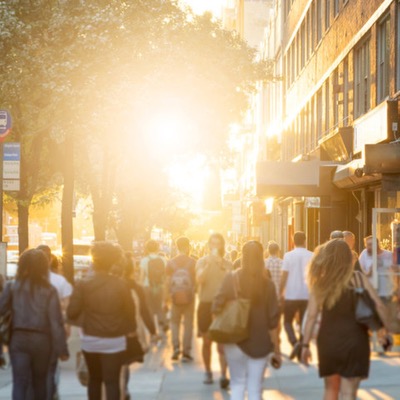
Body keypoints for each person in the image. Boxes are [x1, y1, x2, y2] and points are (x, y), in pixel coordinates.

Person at [302, 239, 391, 400]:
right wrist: (384, 329)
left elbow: (311, 317)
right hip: (355, 340)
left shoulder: (320, 283)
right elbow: (378, 305)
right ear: (348, 257)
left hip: (328, 341)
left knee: (331, 389)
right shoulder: (358, 278)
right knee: (349, 392)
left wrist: (305, 345)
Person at [67, 242, 136, 400]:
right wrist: (130, 330)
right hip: (115, 339)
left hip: (91, 338)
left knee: (94, 379)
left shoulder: (83, 284)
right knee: (112, 381)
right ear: (113, 261)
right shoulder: (121, 285)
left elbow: (72, 311)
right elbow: (130, 312)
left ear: (94, 260)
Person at [213, 241, 281, 400]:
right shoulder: (268, 285)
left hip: (234, 341)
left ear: (242, 257)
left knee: (237, 384)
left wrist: (220, 339)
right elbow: (273, 322)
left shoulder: (231, 279)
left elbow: (216, 306)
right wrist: (276, 350)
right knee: (255, 388)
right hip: (260, 343)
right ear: (261, 257)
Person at [0, 249, 69, 400]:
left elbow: (1, 311)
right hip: (42, 341)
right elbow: (55, 322)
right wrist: (62, 349)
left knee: (19, 382)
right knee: (40, 382)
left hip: (18, 339)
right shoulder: (49, 290)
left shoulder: (12, 287)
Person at [37, 244, 73, 400]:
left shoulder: (25, 280)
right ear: (50, 259)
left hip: (31, 329)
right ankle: (51, 392)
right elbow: (66, 307)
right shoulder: (59, 281)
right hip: (53, 328)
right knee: (52, 365)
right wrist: (66, 326)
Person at [196, 233, 232, 387]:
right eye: (212, 244)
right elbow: (199, 279)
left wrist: (220, 265)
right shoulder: (201, 262)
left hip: (222, 306)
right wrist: (209, 264)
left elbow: (230, 281)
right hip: (205, 305)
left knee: (222, 343)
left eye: (218, 244)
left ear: (222, 246)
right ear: (208, 245)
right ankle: (208, 371)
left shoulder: (227, 263)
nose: (215, 247)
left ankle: (224, 375)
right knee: (206, 341)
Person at [279, 231, 313, 359]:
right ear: (305, 240)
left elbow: (284, 276)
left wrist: (280, 292)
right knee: (304, 323)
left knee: (287, 321)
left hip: (291, 294)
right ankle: (302, 346)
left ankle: (294, 343)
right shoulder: (312, 255)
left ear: (293, 241)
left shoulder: (288, 256)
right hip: (306, 294)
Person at [166, 237, 196, 362]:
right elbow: (197, 280)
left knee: (174, 323)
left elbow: (167, 282)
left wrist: (167, 298)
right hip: (189, 298)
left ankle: (176, 348)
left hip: (175, 297)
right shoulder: (193, 262)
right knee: (188, 324)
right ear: (188, 246)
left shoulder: (171, 262)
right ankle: (186, 352)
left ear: (177, 247)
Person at [140, 240, 168, 333]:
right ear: (157, 248)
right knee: (159, 306)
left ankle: (153, 330)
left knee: (150, 308)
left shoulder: (144, 260)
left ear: (147, 249)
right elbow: (166, 275)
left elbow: (142, 276)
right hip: (160, 286)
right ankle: (162, 323)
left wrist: (140, 287)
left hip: (148, 286)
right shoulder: (163, 259)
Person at [359, 236, 397, 303]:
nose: (369, 246)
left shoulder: (389, 254)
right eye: (367, 244)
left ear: (377, 244)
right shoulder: (364, 254)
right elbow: (360, 271)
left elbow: (396, 270)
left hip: (386, 290)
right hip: (370, 290)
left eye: (371, 244)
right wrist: (369, 271)